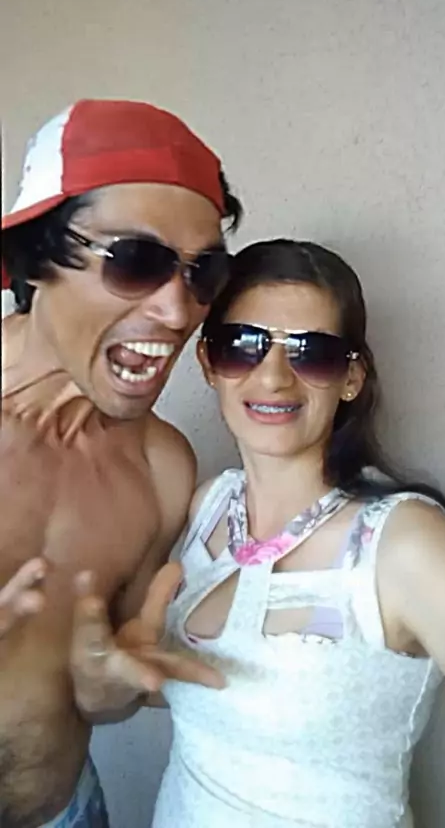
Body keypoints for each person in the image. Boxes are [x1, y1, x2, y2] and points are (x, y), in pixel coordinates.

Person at [144, 238, 445, 827]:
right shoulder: (208, 508)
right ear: (208, 363)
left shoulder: (405, 545)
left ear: (351, 377)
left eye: (312, 353)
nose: (274, 377)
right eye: (242, 346)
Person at [0, 98, 242, 828]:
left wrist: (107, 690)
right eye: (136, 261)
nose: (178, 311)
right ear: (35, 261)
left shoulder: (163, 466)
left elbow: (102, 691)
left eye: (204, 274)